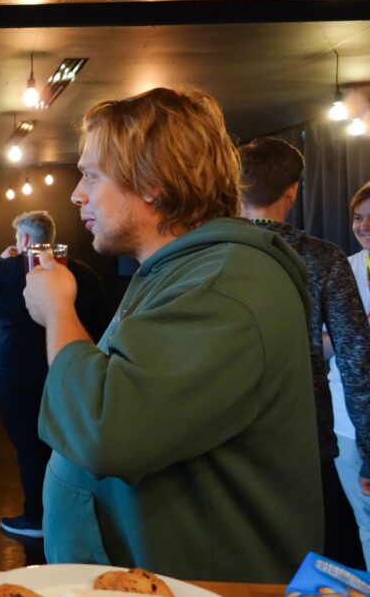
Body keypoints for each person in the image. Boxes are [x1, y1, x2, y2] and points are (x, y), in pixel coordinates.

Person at [22, 87, 322, 583]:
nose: (78, 194)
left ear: (152, 182)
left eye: (91, 175)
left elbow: (106, 429)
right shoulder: (184, 272)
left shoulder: (223, 285)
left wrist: (58, 312)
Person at [240, 136, 370, 567]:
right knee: (306, 555)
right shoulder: (325, 258)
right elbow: (356, 362)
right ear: (293, 189)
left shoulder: (205, 253)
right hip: (303, 433)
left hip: (223, 430)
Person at [0, 210, 108, 540]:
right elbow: (102, 324)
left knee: (28, 447)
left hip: (16, 374)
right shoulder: (84, 274)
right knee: (66, 447)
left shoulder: (4, 271)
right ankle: (69, 517)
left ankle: (37, 517)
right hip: (69, 368)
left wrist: (3, 263)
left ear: (26, 239)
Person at [331, 180, 370, 567]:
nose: (364, 227)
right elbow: (320, 342)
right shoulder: (343, 269)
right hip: (347, 421)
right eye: (359, 217)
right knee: (367, 523)